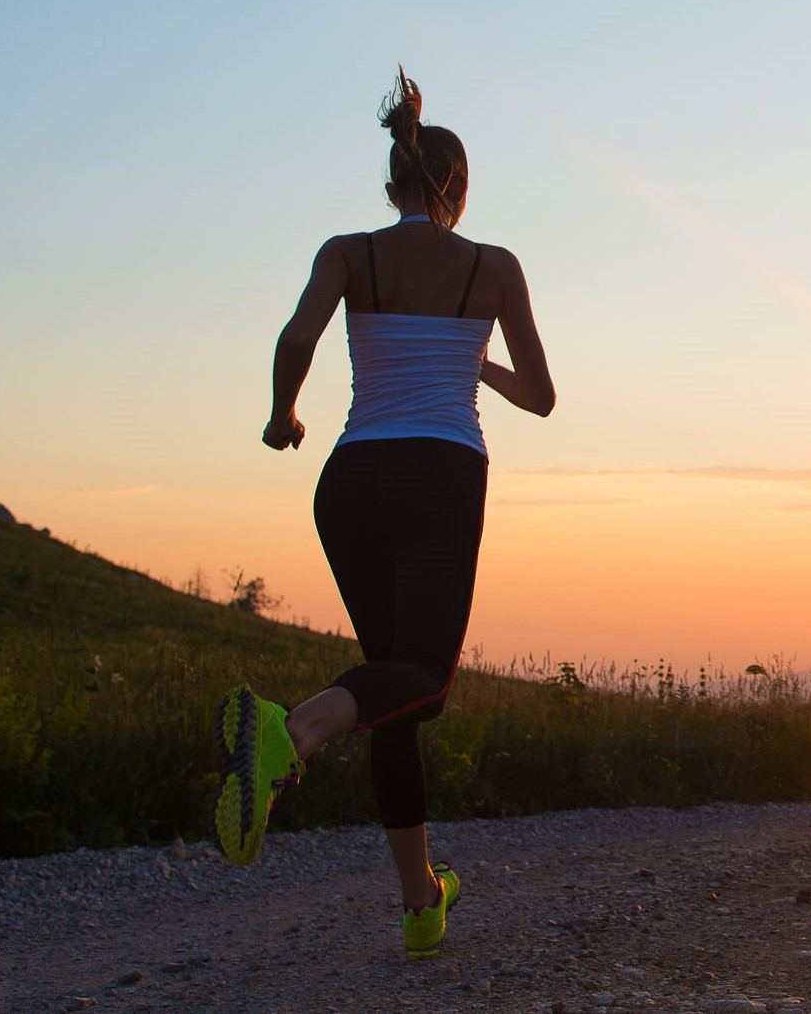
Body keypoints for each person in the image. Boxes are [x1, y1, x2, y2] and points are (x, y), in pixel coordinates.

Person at [214, 66, 555, 959]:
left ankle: (419, 903)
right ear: (461, 189)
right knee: (426, 681)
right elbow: (543, 397)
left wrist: (283, 413)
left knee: (391, 683)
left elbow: (298, 338)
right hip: (441, 472)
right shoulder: (493, 268)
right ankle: (287, 731)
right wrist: (471, 363)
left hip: (352, 478)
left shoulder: (347, 252)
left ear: (392, 181)